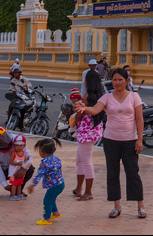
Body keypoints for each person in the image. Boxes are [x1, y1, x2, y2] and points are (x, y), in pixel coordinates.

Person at [74, 67, 146, 219]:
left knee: (133, 172)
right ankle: (116, 206)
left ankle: (140, 206)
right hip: (111, 140)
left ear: (127, 81)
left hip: (129, 140)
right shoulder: (106, 97)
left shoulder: (134, 97)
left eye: (120, 80)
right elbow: (95, 110)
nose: (117, 82)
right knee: (112, 173)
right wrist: (84, 108)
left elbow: (139, 119)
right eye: (114, 80)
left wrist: (139, 139)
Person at [70, 77, 105, 201]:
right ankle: (78, 188)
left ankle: (88, 192)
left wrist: (76, 113)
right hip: (93, 131)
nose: (84, 82)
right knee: (80, 160)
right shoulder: (101, 96)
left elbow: (79, 116)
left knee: (86, 162)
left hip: (86, 133)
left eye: (85, 79)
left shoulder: (87, 97)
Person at [0, 126, 35, 198]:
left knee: (30, 169)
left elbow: (29, 157)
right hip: (0, 169)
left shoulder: (17, 140)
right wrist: (6, 186)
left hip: (16, 169)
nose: (6, 145)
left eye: (7, 142)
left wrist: (23, 169)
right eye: (1, 144)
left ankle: (18, 190)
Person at [27, 138, 65, 225]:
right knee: (51, 199)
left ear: (41, 151)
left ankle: (47, 218)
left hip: (53, 186)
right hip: (60, 184)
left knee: (47, 201)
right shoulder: (57, 159)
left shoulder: (45, 163)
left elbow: (39, 175)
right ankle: (56, 213)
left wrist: (32, 185)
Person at [8, 135, 32, 200]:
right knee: (14, 184)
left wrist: (26, 160)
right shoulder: (13, 153)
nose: (19, 147)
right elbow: (10, 162)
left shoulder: (23, 153)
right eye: (17, 145)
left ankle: (19, 195)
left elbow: (23, 161)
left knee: (19, 184)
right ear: (14, 145)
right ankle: (13, 196)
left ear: (24, 146)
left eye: (21, 145)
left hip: (19, 171)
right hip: (13, 172)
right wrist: (17, 164)